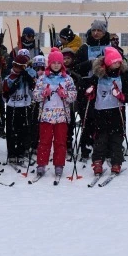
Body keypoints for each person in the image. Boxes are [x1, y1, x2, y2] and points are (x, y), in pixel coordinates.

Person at [84, 46, 128, 175]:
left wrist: (123, 97)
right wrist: (90, 92)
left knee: (117, 139)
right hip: (101, 113)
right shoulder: (98, 74)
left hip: (117, 112)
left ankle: (117, 162)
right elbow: (89, 88)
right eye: (114, 62)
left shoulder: (123, 74)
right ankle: (98, 162)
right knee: (101, 139)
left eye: (119, 62)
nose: (117, 64)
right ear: (108, 62)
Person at [33, 49, 77, 178]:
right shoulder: (42, 78)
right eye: (54, 62)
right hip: (46, 116)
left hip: (62, 116)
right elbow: (35, 96)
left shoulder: (67, 79)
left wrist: (66, 94)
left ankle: (59, 164)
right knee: (44, 141)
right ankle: (41, 164)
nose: (56, 65)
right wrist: (43, 94)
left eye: (59, 62)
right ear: (49, 63)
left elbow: (73, 95)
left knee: (60, 142)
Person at [73, 20, 111, 160]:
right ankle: (86, 146)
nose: (96, 33)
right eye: (94, 30)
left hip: (105, 86)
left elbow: (118, 64)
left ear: (104, 32)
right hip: (87, 85)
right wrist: (89, 63)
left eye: (99, 30)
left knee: (103, 118)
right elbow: (75, 67)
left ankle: (102, 146)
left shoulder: (109, 47)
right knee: (87, 118)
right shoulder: (84, 48)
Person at [2, 48, 34, 165]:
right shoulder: (8, 78)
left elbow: (33, 89)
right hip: (12, 107)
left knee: (23, 131)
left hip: (24, 106)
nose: (17, 69)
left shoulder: (26, 77)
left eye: (20, 67)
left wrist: (28, 78)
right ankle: (11, 153)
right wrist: (14, 86)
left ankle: (21, 152)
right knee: (11, 131)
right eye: (16, 66)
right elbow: (5, 95)